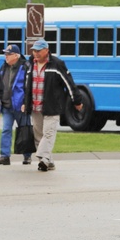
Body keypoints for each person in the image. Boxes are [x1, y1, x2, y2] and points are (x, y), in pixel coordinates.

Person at [23, 39, 83, 172]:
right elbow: (26, 85)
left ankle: (43, 159)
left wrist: (77, 101)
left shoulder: (56, 64)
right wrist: (24, 102)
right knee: (38, 134)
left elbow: (69, 83)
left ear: (46, 50)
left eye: (38, 51)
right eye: (34, 51)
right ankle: (48, 162)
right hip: (35, 106)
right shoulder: (29, 64)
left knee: (48, 133)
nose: (36, 53)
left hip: (52, 105)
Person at [0, 44, 32, 166]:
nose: (6, 56)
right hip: (6, 105)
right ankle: (5, 156)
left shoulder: (25, 66)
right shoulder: (4, 67)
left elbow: (28, 87)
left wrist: (26, 103)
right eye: (5, 54)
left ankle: (27, 156)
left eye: (8, 54)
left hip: (20, 105)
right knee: (6, 129)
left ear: (16, 56)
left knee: (24, 130)